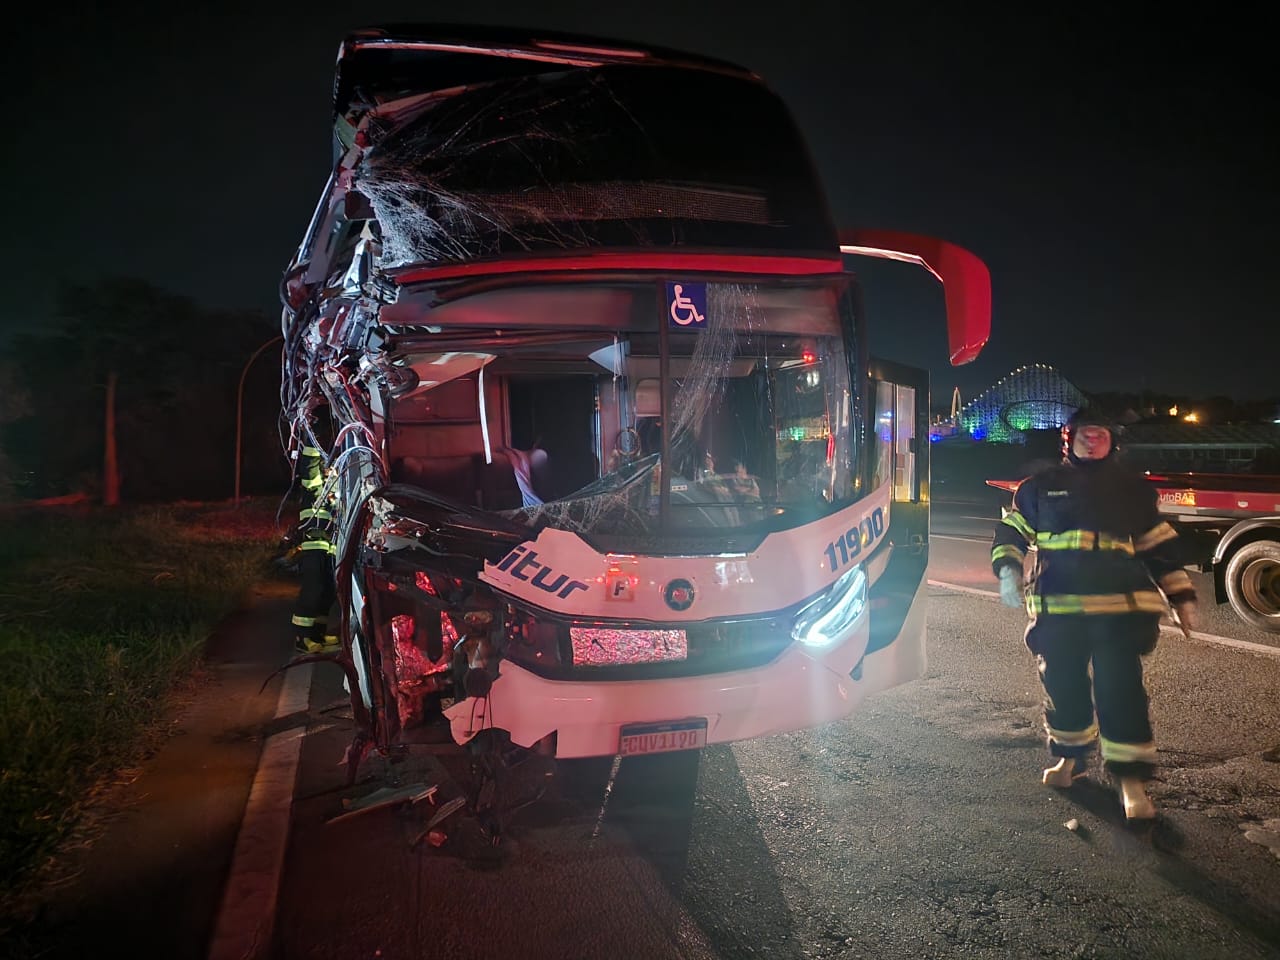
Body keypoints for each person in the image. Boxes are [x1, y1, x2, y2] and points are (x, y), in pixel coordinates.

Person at [990, 408, 1197, 820]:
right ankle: (1071, 758)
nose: (1092, 440)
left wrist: (1181, 597)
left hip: (1119, 612)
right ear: (1069, 440)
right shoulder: (1039, 488)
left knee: (1120, 691)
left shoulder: (1133, 492)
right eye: (1085, 433)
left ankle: (1130, 781)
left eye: (1100, 433)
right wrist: (1008, 570)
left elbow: (1159, 548)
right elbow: (1012, 532)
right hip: (1059, 611)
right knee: (1062, 686)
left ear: (1112, 441)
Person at [291, 444, 339, 654]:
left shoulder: (335, 494)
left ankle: (318, 634)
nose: (332, 472)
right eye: (329, 469)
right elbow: (309, 465)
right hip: (313, 546)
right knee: (313, 590)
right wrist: (313, 442)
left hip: (329, 548)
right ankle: (302, 638)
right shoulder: (314, 487)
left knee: (328, 592)